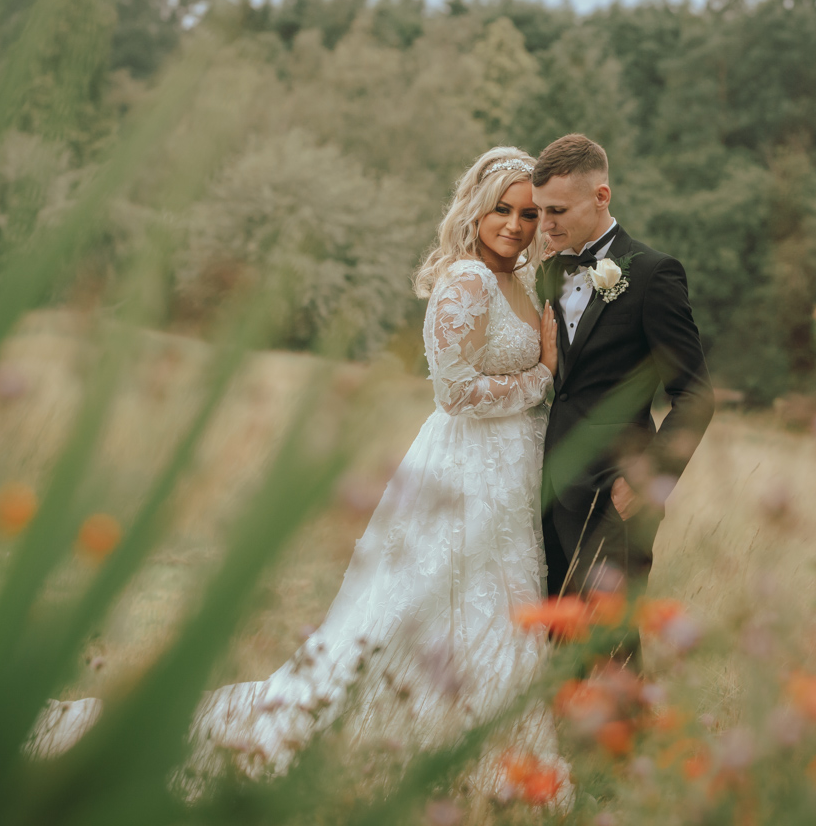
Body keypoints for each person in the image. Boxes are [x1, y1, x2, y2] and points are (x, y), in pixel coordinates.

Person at [177, 146, 570, 802]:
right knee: (450, 599)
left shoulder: (525, 281)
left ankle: (491, 747)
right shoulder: (465, 279)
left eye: (527, 213)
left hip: (517, 469)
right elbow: (455, 391)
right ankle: (433, 741)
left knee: (507, 604)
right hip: (465, 469)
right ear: (473, 209)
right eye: (500, 208)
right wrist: (543, 377)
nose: (513, 224)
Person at [531, 134, 714, 646]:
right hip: (551, 488)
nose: (545, 224)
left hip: (617, 494)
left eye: (558, 210)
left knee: (610, 643)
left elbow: (696, 396)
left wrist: (649, 477)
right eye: (540, 210)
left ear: (601, 197)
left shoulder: (655, 275)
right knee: (558, 644)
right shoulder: (550, 269)